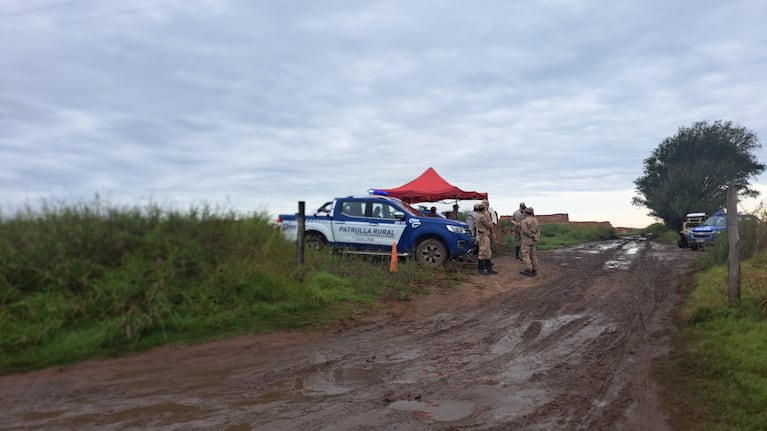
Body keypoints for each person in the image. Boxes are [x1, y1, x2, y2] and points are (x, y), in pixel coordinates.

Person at [475, 202, 498, 275]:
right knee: (483, 252)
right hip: (483, 235)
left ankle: (488, 268)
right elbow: (489, 226)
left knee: (487, 252)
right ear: (484, 208)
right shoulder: (482, 217)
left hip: (483, 235)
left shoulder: (478, 215)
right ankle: (481, 269)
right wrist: (491, 222)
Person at [519, 206, 540, 277]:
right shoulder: (535, 220)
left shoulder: (524, 221)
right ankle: (535, 269)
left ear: (526, 213)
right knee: (533, 255)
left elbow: (524, 231)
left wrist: (531, 235)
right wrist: (536, 237)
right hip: (533, 240)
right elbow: (538, 230)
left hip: (526, 240)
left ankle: (529, 269)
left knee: (525, 254)